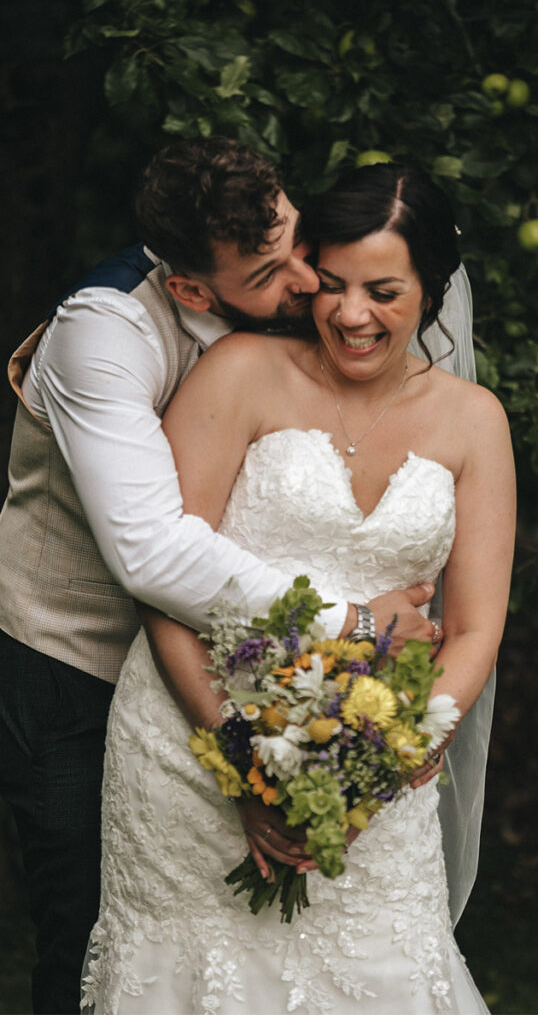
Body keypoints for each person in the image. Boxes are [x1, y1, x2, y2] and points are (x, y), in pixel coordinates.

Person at [0, 139, 469, 1014]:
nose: (308, 279)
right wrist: (354, 628)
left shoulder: (308, 309)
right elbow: (155, 557)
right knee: (81, 929)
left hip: (245, 674)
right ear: (190, 289)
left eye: (298, 240)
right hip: (73, 654)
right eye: (272, 268)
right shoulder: (103, 336)